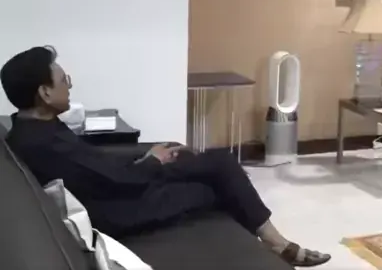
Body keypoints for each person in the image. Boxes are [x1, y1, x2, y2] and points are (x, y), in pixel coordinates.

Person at [1, 46, 330, 267]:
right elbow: (110, 179)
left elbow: (94, 167)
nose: (70, 85)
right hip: (121, 210)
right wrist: (152, 162)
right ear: (44, 92)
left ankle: (274, 243)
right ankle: (277, 245)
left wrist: (147, 157)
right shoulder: (42, 142)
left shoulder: (31, 128)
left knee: (215, 164)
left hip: (118, 189)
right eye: (63, 80)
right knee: (217, 181)